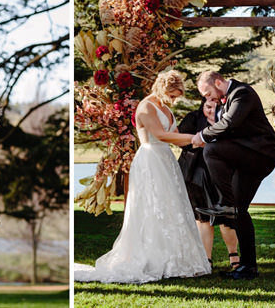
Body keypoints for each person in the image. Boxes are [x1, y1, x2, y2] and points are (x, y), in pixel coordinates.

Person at [74, 70, 211, 283]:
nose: (174, 100)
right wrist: (194, 138)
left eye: (176, 96)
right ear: (162, 89)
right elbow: (161, 135)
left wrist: (198, 140)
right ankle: (151, 259)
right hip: (149, 160)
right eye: (172, 95)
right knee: (151, 206)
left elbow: (174, 138)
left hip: (166, 160)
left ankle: (176, 259)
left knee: (172, 206)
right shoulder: (146, 107)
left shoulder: (166, 109)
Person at [192, 71, 275, 280]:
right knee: (239, 210)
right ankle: (247, 267)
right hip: (249, 158)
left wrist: (202, 135)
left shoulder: (242, 93)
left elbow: (229, 124)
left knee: (210, 150)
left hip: (262, 154)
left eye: (208, 93)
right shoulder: (228, 98)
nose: (208, 99)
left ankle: (224, 202)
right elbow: (228, 130)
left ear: (218, 82)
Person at [177, 98, 240, 269]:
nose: (212, 111)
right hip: (196, 174)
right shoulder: (193, 118)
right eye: (208, 107)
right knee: (202, 218)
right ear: (202, 105)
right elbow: (178, 139)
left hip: (223, 175)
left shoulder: (228, 120)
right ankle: (207, 259)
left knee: (227, 216)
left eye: (216, 107)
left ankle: (234, 256)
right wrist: (197, 141)